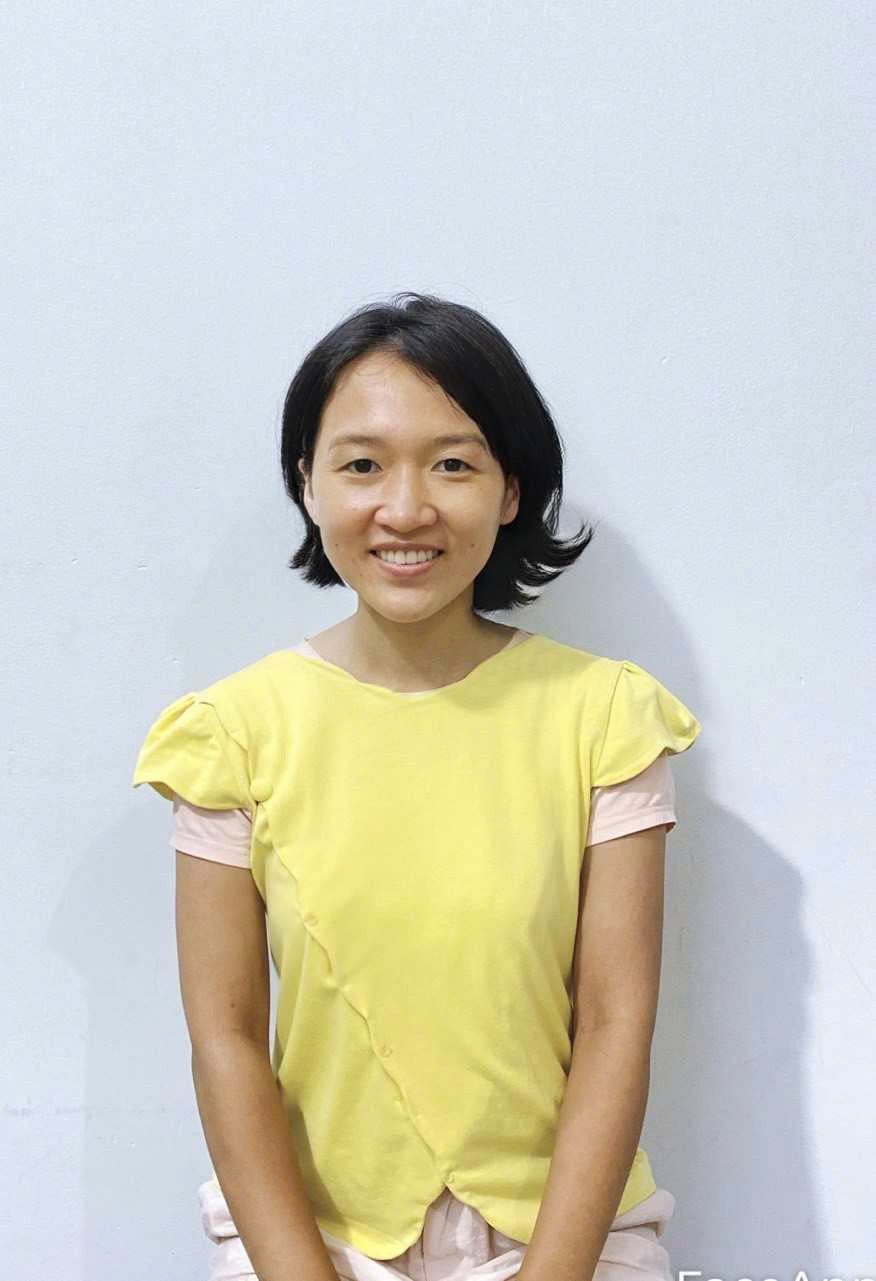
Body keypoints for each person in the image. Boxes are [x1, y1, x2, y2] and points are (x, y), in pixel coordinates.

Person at [132, 292, 701, 1281]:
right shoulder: (230, 734)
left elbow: (615, 1022)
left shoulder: (605, 717)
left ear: (511, 488)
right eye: (362, 465)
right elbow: (225, 1035)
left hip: (568, 1240)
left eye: (452, 464)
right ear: (308, 484)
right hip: (314, 1241)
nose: (405, 509)